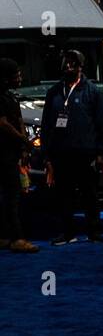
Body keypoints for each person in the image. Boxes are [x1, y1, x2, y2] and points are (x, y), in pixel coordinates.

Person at [40, 49, 103, 245]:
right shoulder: (54, 93)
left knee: (90, 195)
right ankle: (68, 233)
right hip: (61, 155)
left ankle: (94, 232)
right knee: (64, 196)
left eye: (72, 63)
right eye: (65, 62)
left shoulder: (93, 92)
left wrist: (101, 153)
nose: (68, 66)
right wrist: (46, 155)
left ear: (81, 66)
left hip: (86, 154)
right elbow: (46, 125)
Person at [0, 57, 38, 253]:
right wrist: (22, 140)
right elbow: (3, 123)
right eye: (16, 74)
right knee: (12, 196)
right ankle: (17, 238)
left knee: (9, 196)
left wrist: (23, 147)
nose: (19, 77)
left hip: (12, 153)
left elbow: (18, 120)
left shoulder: (11, 97)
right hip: (4, 155)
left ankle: (5, 235)